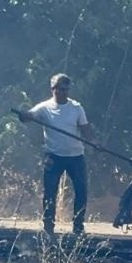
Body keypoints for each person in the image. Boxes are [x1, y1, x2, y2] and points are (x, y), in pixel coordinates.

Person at [17, 73, 94, 235]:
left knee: (81, 190)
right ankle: (48, 226)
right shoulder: (45, 107)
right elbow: (30, 116)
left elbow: (85, 127)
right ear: (52, 89)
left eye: (65, 89)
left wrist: (93, 141)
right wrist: (24, 116)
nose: (62, 92)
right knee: (50, 191)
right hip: (53, 156)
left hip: (75, 156)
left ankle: (78, 226)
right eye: (59, 89)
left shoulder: (76, 108)